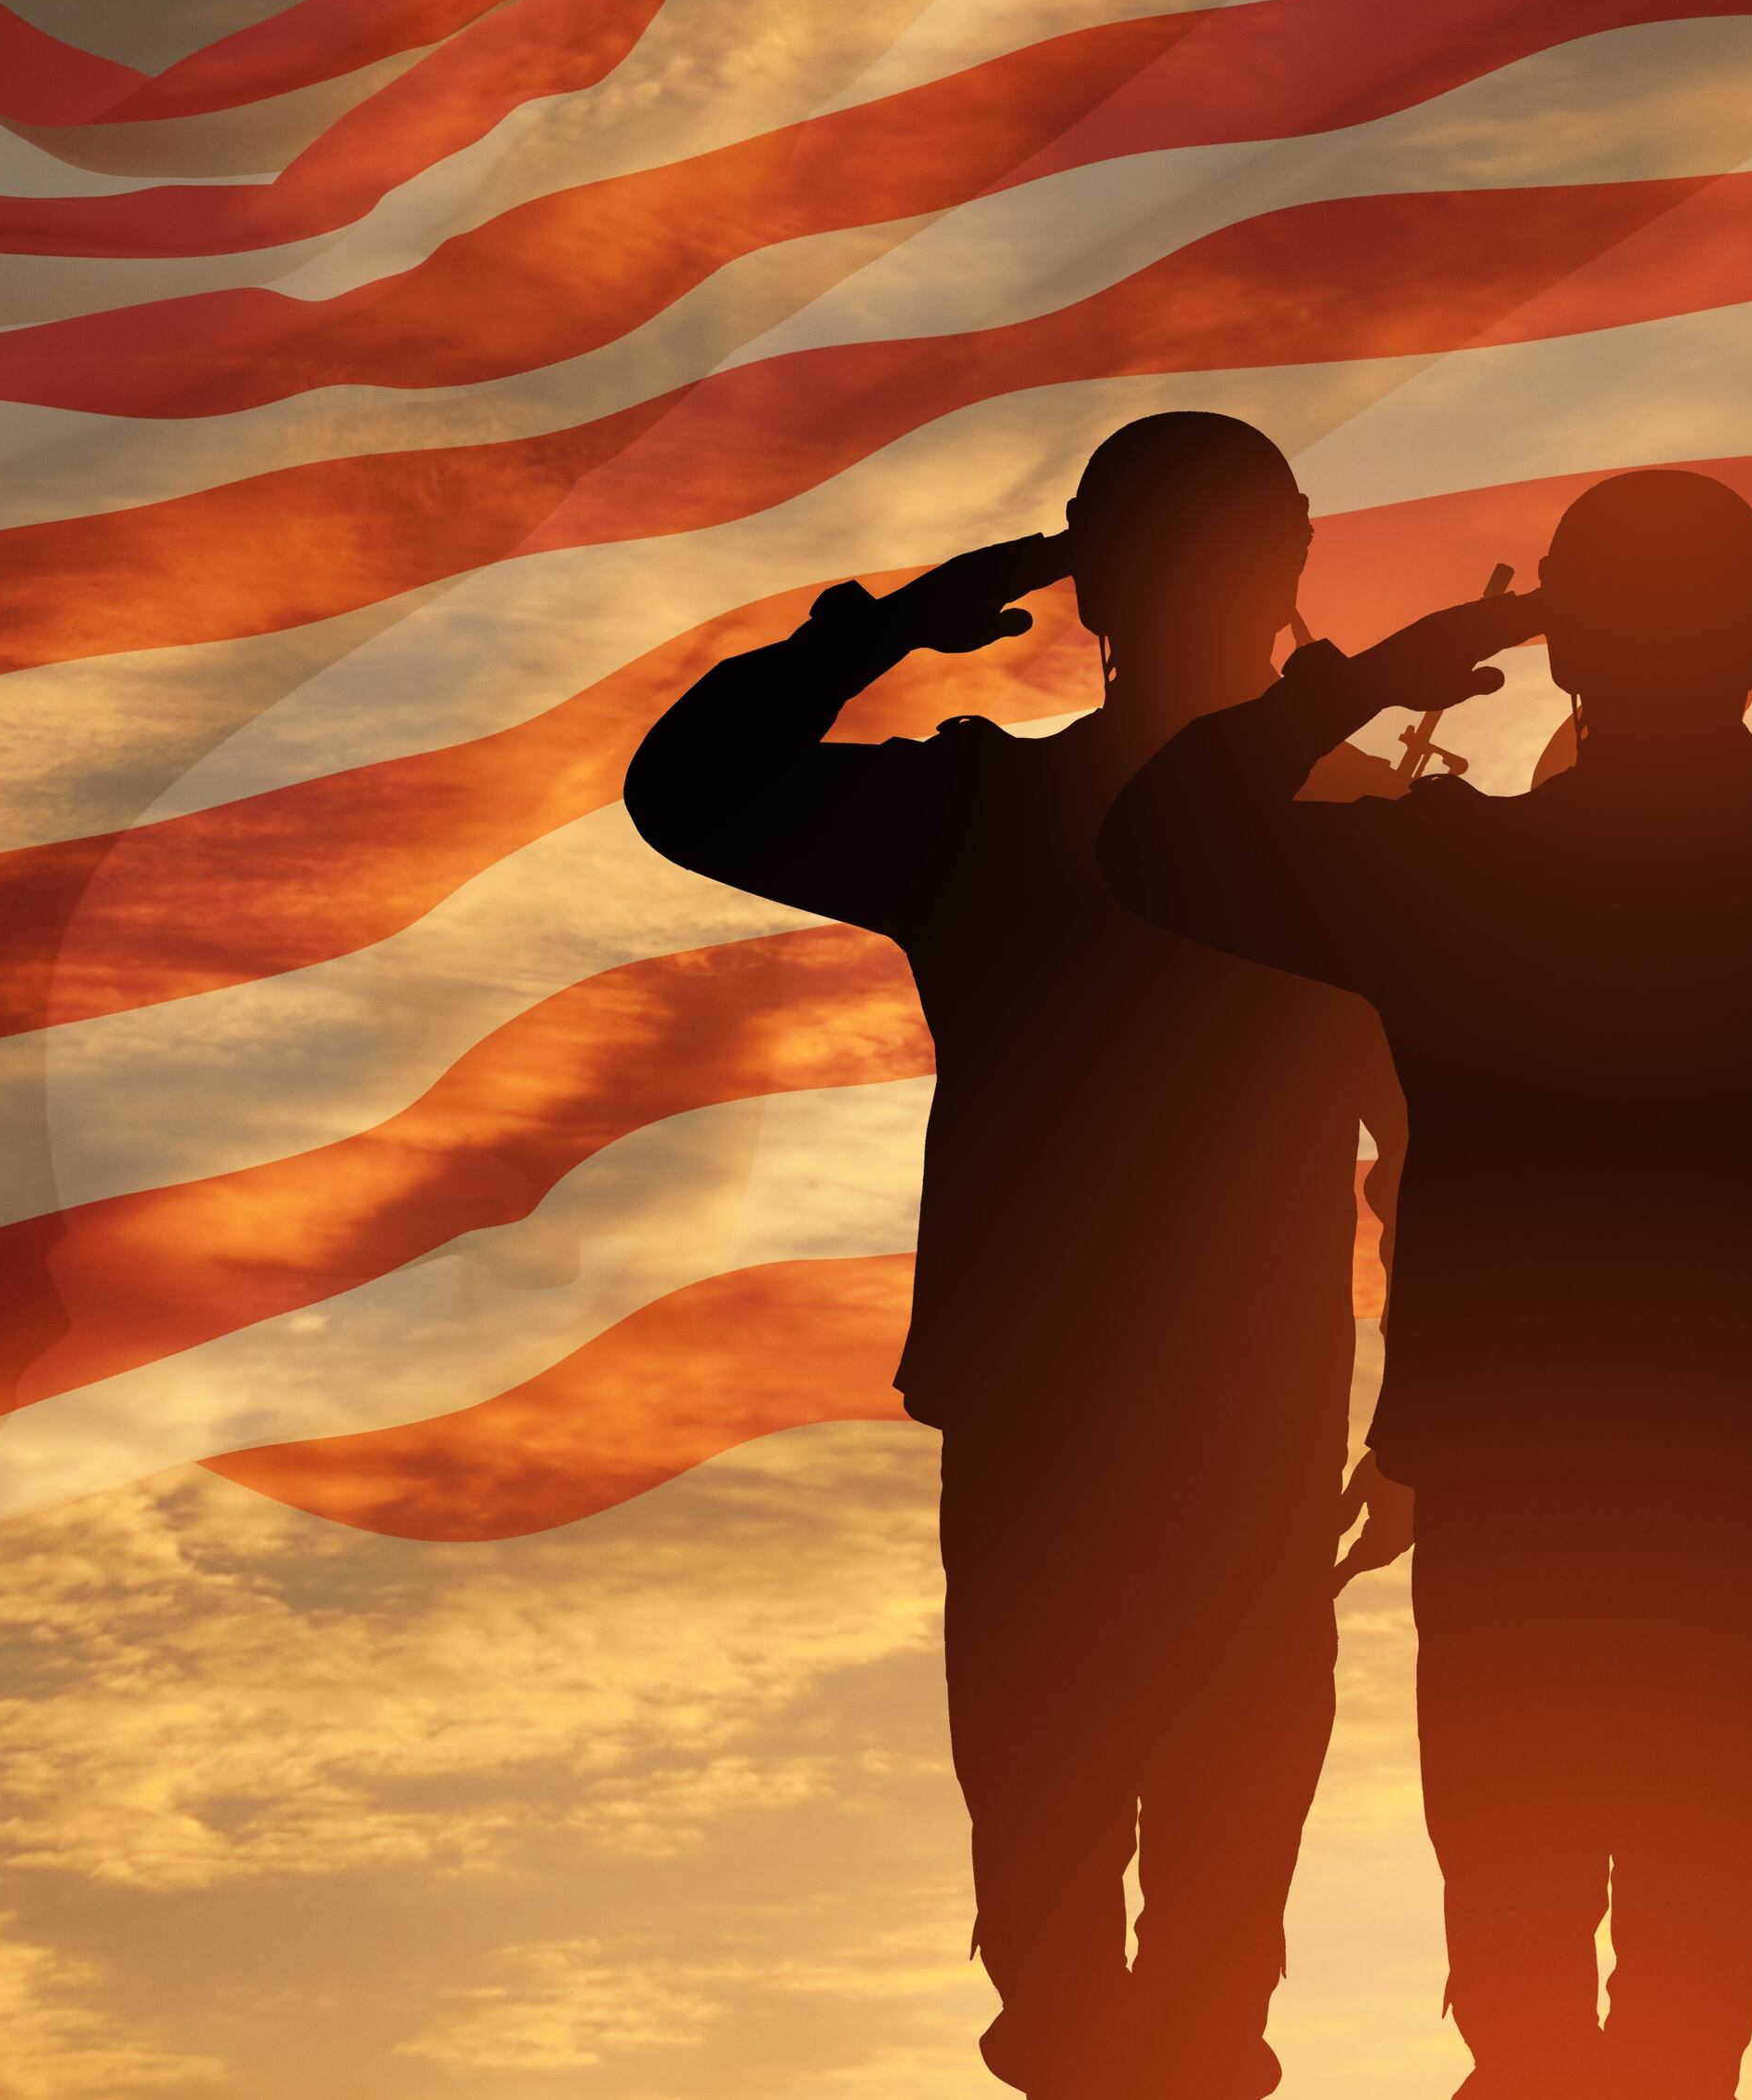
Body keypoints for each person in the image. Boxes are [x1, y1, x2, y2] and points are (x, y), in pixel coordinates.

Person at [1100, 468, 1752, 2100]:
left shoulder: (1461, 877)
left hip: (1518, 1475)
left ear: (1567, 646)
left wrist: (1382, 670)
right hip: (1709, 1474)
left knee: (1525, 1961)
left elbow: (1162, 842)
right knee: (1683, 1968)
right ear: (1748, 638)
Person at [623, 412, 1459, 2100]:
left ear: (1088, 581)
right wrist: (1429, 1398)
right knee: (1168, 1903)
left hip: (1098, 1403)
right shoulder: (1352, 820)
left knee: (1082, 1889)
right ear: (1290, 561)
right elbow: (1430, 1141)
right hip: (1211, 1403)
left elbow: (690, 786)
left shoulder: (995, 812)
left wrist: (874, 634)